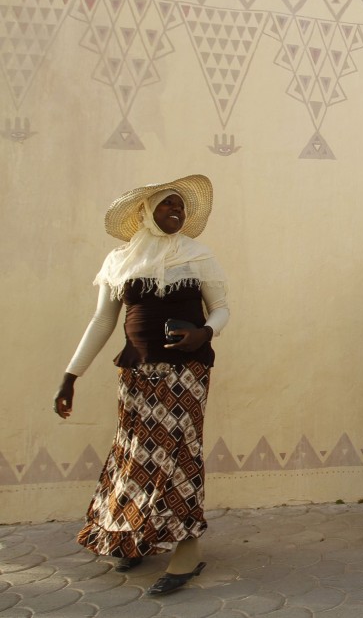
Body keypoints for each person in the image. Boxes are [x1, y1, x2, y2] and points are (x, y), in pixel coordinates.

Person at [52, 174, 229, 596]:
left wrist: (204, 333)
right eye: (168, 205)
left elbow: (221, 308)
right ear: (147, 213)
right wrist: (70, 376)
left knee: (177, 453)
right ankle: (133, 535)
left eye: (181, 207)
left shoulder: (197, 255)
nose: (176, 212)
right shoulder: (121, 261)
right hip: (136, 374)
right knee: (134, 454)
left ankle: (186, 549)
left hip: (187, 374)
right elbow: (102, 322)